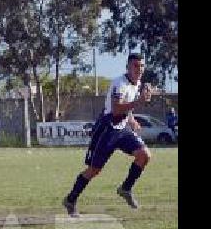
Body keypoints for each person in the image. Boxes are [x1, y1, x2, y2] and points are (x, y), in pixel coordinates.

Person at [62, 53, 153, 217]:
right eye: (135, 66)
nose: (139, 69)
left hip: (122, 128)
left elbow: (126, 107)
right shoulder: (119, 83)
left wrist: (131, 120)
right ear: (128, 67)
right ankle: (70, 200)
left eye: (141, 66)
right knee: (94, 170)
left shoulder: (137, 83)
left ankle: (126, 188)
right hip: (107, 129)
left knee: (144, 155)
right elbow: (117, 108)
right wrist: (139, 101)